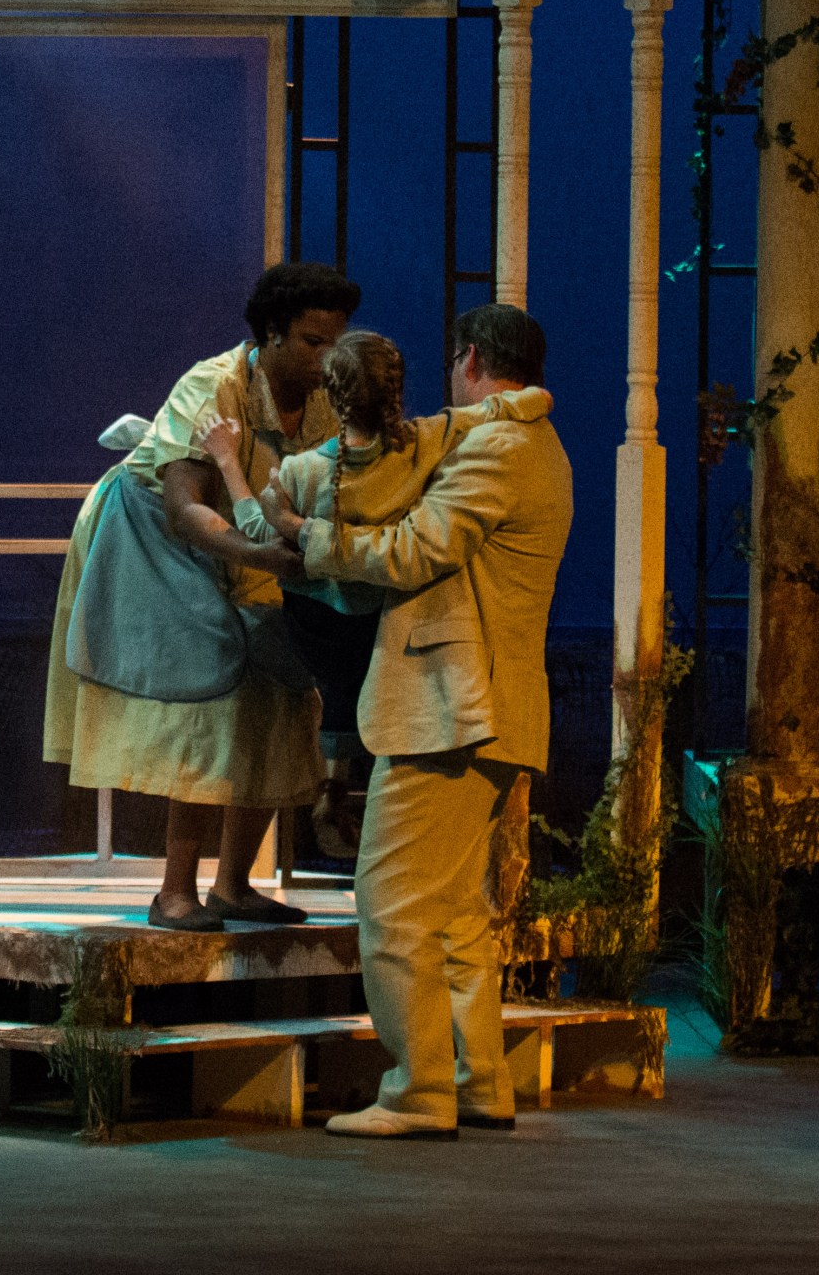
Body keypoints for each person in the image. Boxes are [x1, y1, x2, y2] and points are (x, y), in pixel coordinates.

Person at [261, 303, 573, 1140]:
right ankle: (478, 1081)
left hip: (452, 708)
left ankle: (418, 1090)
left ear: (470, 359)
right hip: (488, 707)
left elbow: (416, 550)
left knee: (391, 901)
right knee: (455, 912)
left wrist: (308, 535)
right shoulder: (529, 440)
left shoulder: (503, 448)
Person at [42, 261, 360, 931]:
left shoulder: (328, 399)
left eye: (336, 342)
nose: (327, 357)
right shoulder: (213, 386)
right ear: (272, 334)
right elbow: (184, 506)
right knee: (206, 690)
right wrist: (260, 554)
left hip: (245, 534)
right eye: (312, 342)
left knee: (284, 684)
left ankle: (234, 886)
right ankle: (174, 891)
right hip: (156, 536)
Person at [197, 329, 486, 857]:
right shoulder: (423, 448)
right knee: (363, 673)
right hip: (378, 628)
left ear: (331, 397)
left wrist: (227, 460)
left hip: (317, 636)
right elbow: (482, 416)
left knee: (268, 651)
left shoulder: (301, 471)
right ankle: (354, 793)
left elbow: (257, 531)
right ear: (396, 391)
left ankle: (325, 785)